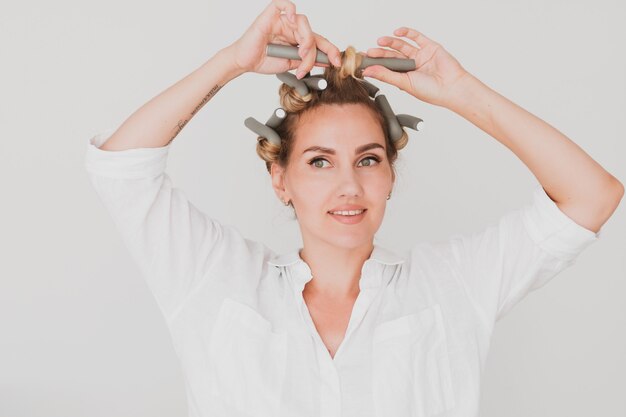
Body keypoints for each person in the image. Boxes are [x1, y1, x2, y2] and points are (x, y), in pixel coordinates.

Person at [84, 1, 624, 416]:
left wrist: (460, 91)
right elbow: (120, 168)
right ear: (281, 179)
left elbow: (592, 195)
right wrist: (232, 63)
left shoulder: (453, 286)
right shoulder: (216, 280)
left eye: (367, 160)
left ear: (390, 176)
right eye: (320, 162)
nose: (349, 185)